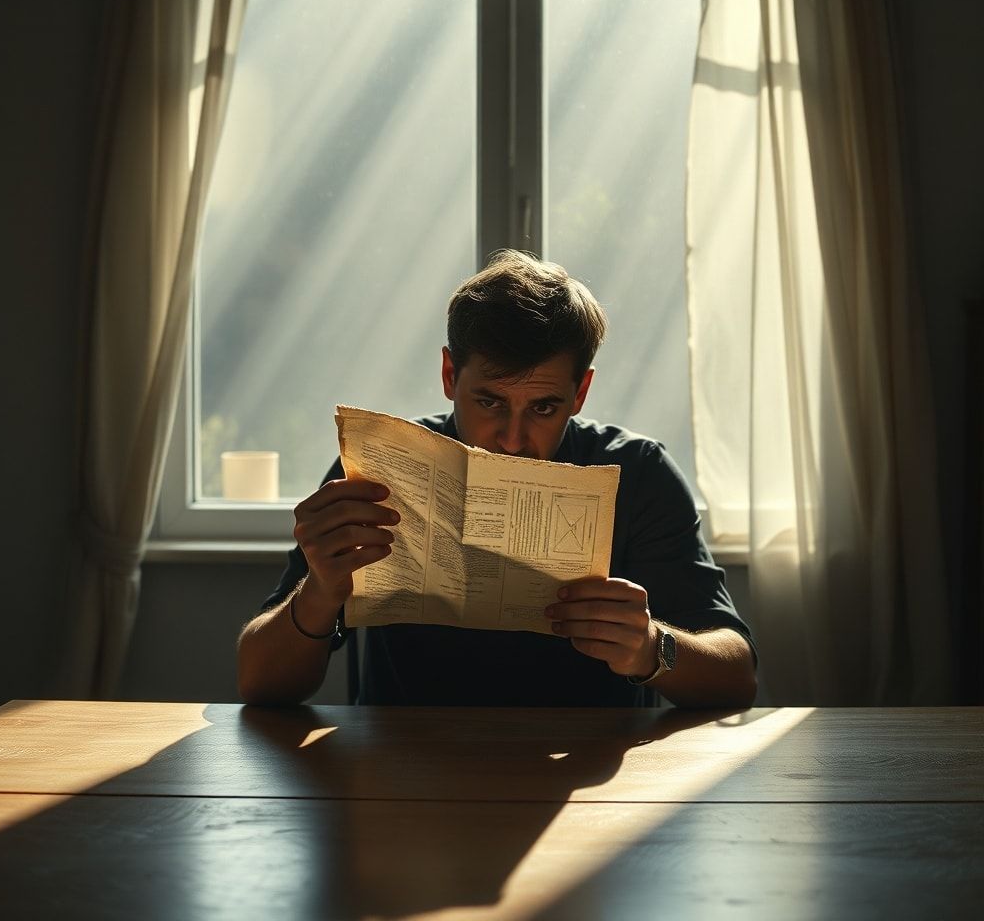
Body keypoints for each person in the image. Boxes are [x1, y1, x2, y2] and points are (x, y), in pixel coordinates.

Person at [238, 251, 757, 709]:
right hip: (400, 779)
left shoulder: (637, 472)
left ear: (580, 394)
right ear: (449, 377)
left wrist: (650, 647)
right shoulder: (384, 466)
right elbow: (261, 684)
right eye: (489, 401)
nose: (512, 438)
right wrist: (319, 592)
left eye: (544, 407)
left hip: (589, 786)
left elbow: (737, 677)